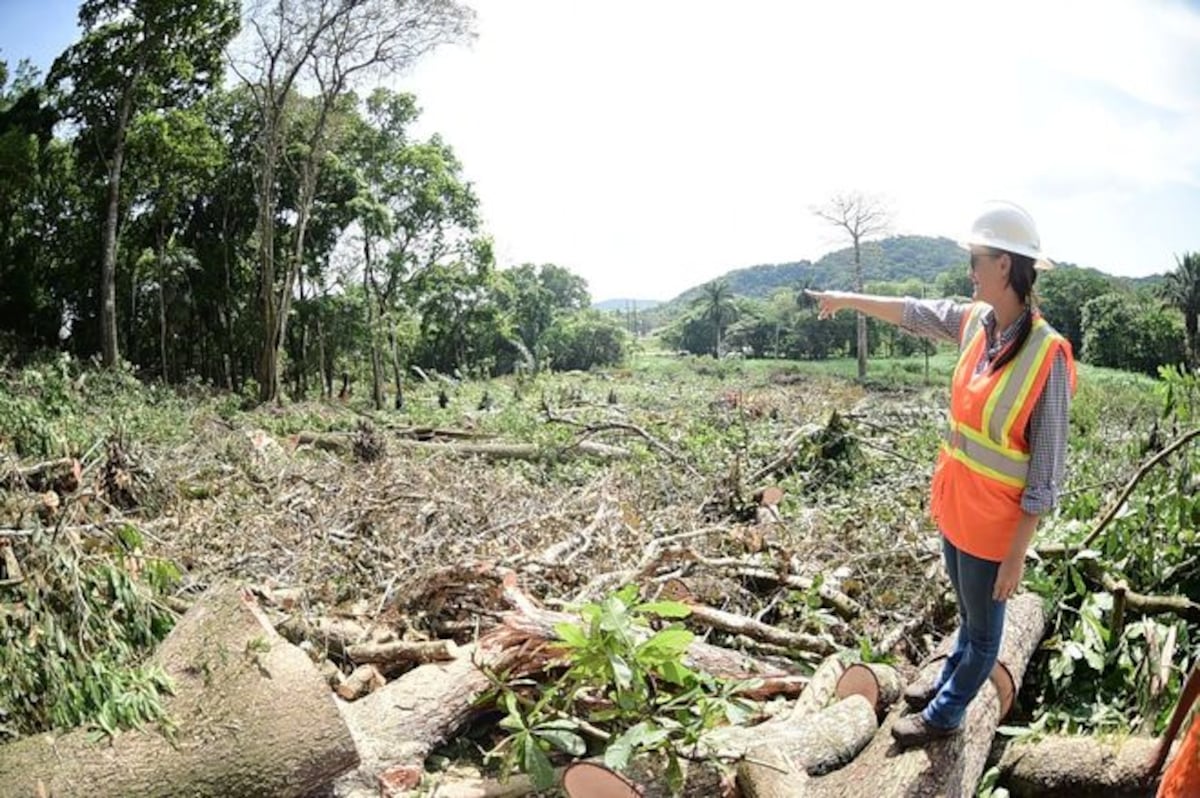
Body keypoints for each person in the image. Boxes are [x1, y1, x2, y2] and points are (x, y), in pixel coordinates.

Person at [806, 200, 1076, 748]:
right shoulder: (978, 323)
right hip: (956, 508)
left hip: (995, 528)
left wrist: (1018, 553)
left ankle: (945, 715)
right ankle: (945, 683)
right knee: (967, 615)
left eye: (977, 258)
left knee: (983, 635)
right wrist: (845, 299)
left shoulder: (1046, 355)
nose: (969, 269)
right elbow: (912, 312)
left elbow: (1045, 474)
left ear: (1005, 266)